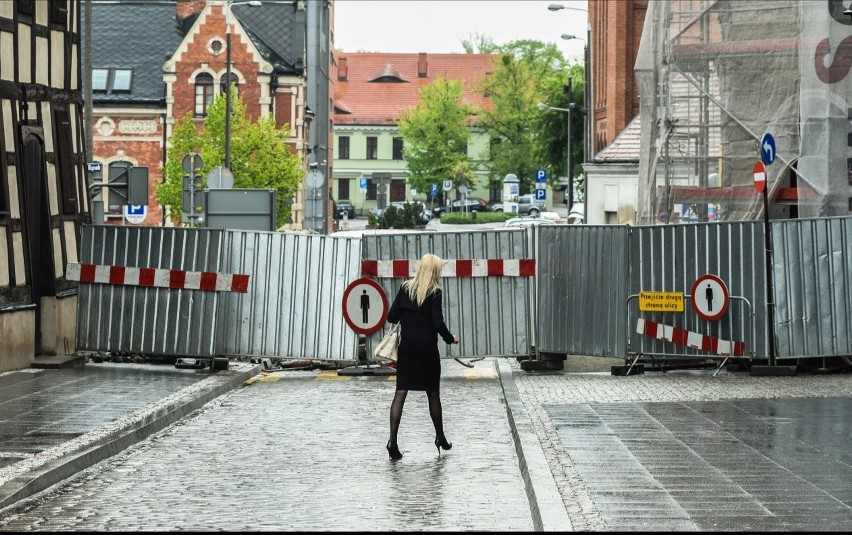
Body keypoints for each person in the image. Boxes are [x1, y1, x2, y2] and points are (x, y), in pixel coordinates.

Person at [385, 253, 459, 461]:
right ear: (435, 271)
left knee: (400, 392)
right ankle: (440, 437)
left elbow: (391, 317)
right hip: (427, 350)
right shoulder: (435, 292)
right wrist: (450, 338)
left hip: (407, 348)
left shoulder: (405, 288)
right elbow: (437, 323)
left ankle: (392, 441)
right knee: (433, 394)